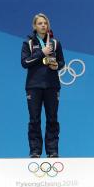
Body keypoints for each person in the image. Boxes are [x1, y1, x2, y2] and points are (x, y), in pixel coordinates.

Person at [21, 13, 65, 158]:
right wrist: (42, 53)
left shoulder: (55, 43)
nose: (43, 26)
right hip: (34, 86)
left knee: (52, 118)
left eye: (45, 23)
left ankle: (52, 151)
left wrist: (56, 65)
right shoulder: (28, 43)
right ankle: (35, 151)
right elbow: (25, 63)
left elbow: (62, 62)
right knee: (34, 119)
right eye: (40, 23)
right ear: (35, 26)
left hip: (52, 86)